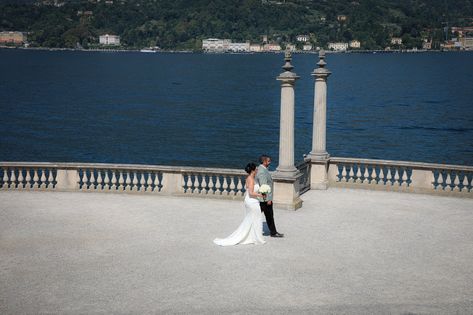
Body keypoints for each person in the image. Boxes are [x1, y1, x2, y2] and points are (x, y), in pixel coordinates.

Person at [213, 162, 266, 246]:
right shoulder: (251, 180)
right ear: (253, 170)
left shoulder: (248, 178)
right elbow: (251, 193)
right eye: (256, 169)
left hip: (249, 201)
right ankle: (255, 237)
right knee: (256, 218)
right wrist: (261, 195)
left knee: (250, 219)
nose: (257, 170)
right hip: (252, 202)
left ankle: (252, 236)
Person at [256, 155, 284, 238]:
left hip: (264, 199)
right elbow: (263, 186)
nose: (270, 162)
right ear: (264, 162)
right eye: (268, 161)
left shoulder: (263, 170)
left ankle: (273, 232)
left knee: (267, 216)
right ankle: (273, 232)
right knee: (269, 216)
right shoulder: (262, 172)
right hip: (264, 200)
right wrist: (268, 199)